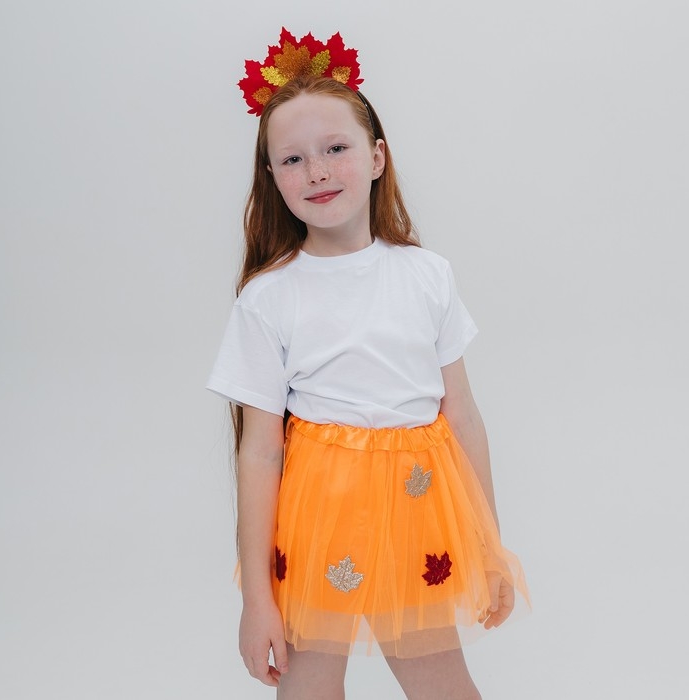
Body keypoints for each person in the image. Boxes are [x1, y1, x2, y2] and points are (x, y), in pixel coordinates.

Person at [207, 28, 529, 700]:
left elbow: (463, 416)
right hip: (317, 518)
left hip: (418, 509)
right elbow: (260, 452)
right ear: (272, 177)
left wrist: (490, 544)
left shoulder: (427, 275)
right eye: (293, 159)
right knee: (309, 685)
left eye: (336, 149)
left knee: (442, 684)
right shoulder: (269, 298)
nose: (317, 171)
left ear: (377, 156)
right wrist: (257, 599)